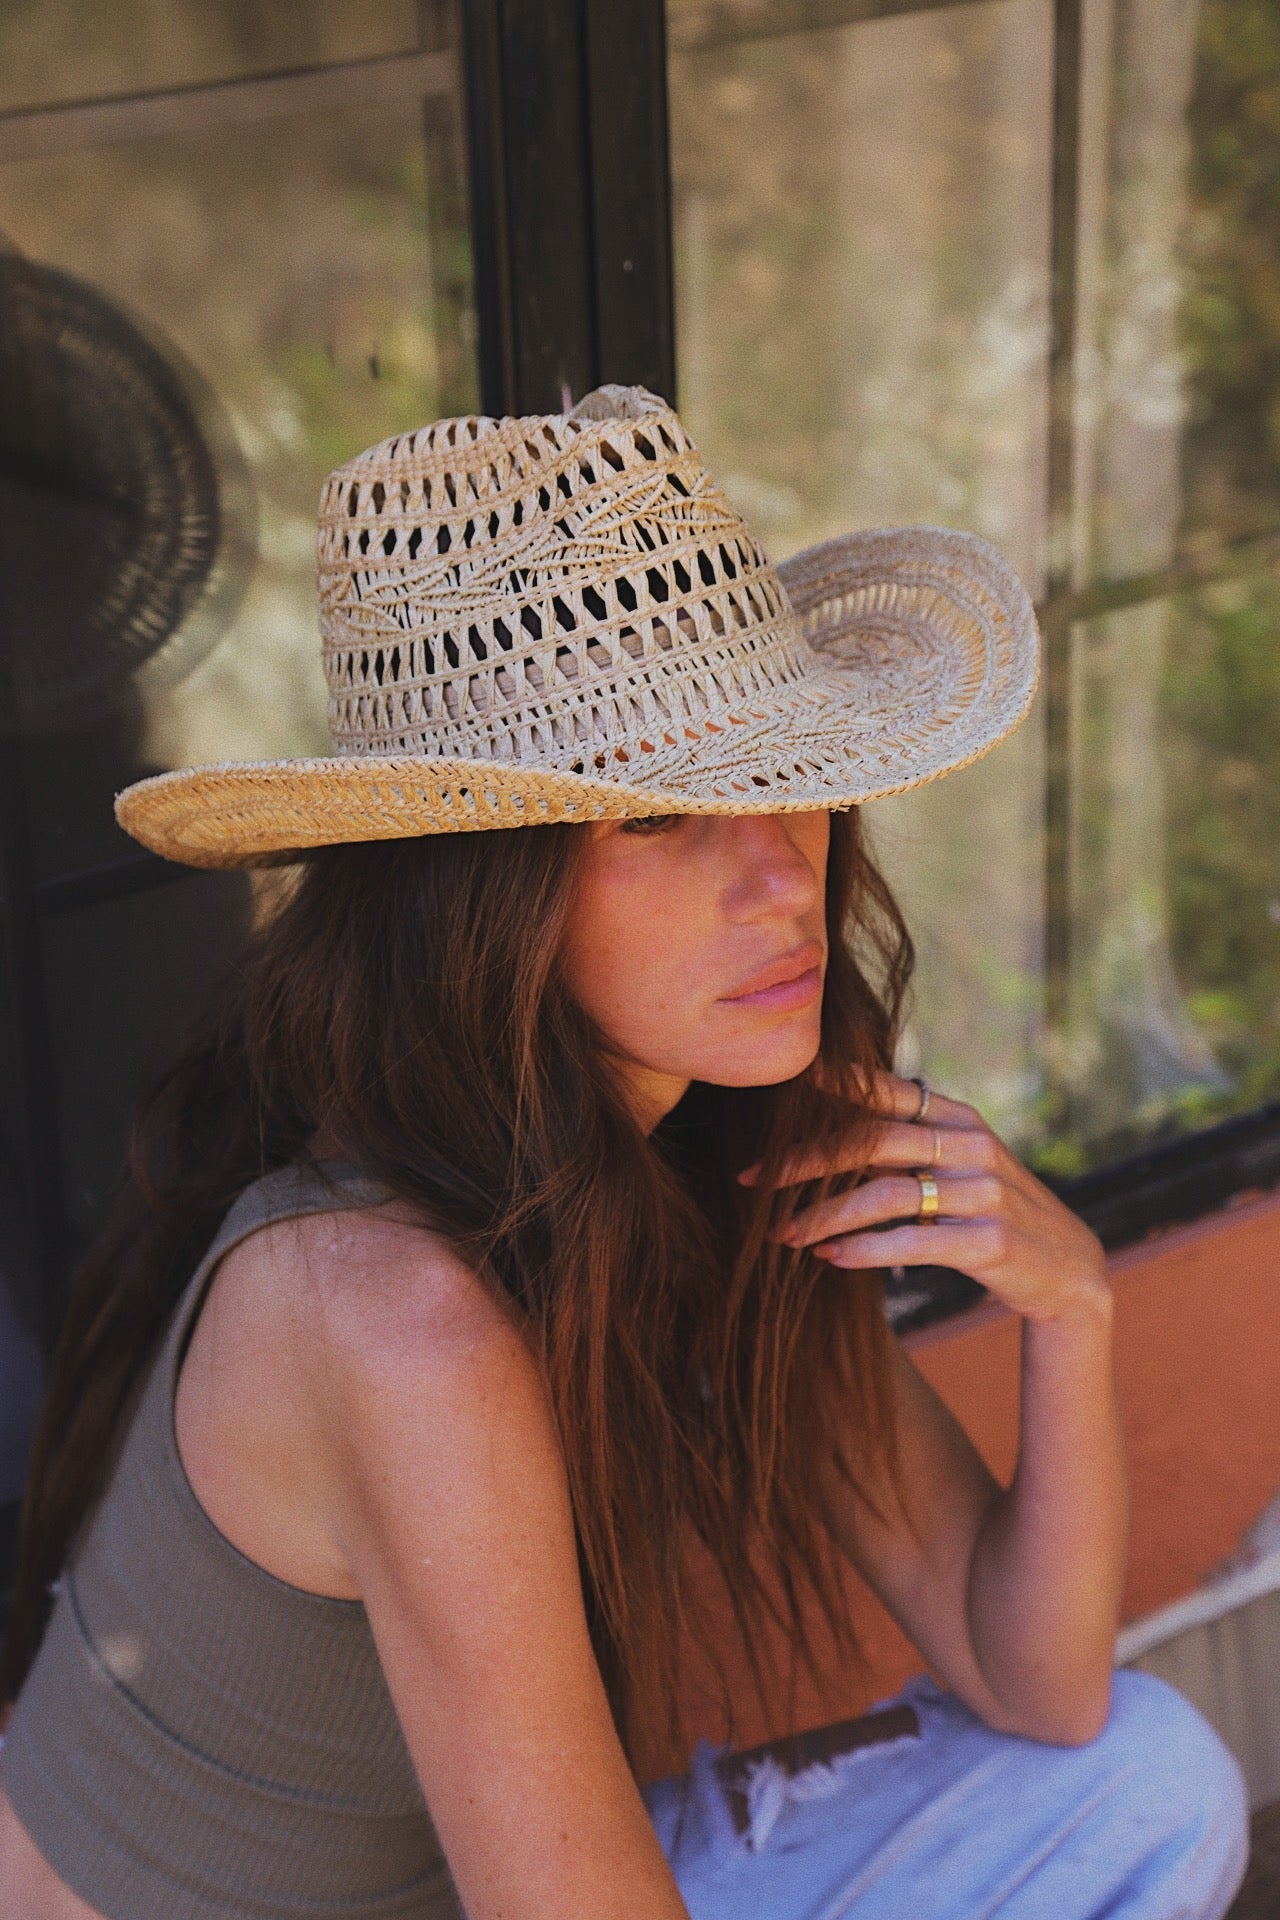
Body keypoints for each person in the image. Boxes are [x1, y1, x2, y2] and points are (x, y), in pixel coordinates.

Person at [0, 387, 1248, 1919]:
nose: (781, 876)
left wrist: (1071, 1308)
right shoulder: (390, 1313)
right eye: (658, 816)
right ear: (483, 896)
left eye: (781, 777)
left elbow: (1038, 1687)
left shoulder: (696, 1156)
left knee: (1144, 1781)